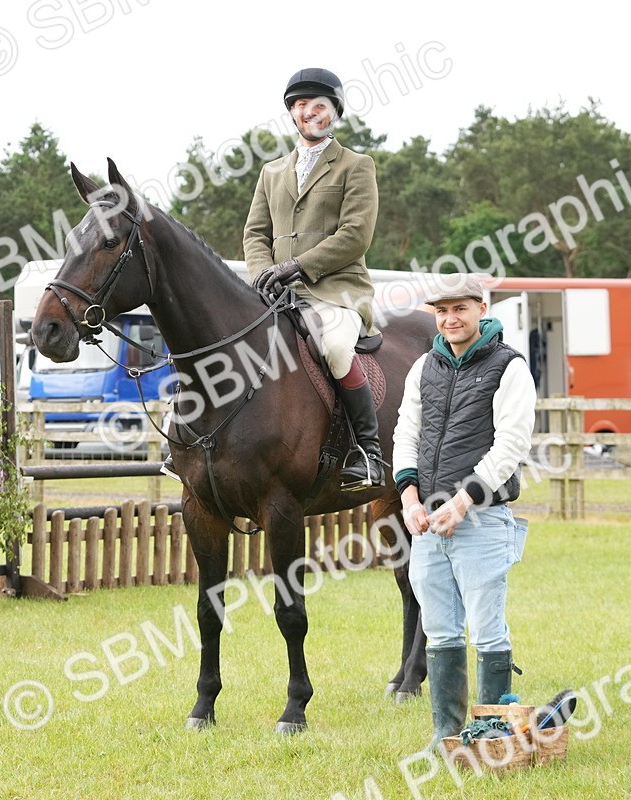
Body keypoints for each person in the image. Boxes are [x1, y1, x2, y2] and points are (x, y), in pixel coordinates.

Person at [392, 273, 537, 749]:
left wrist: (463, 500)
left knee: (487, 628)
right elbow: (405, 435)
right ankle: (445, 733)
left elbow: (510, 445)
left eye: (459, 309)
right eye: (441, 311)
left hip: (481, 518)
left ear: (481, 307)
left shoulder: (508, 367)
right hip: (429, 521)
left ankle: (492, 732)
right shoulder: (423, 367)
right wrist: (409, 497)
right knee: (439, 629)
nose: (450, 319)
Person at [242, 66, 386, 491]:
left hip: (335, 292)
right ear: (292, 113)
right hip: (278, 294)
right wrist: (260, 275)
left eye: (317, 105)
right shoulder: (271, 172)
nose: (308, 112)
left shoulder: (356, 166)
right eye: (300, 105)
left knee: (337, 347)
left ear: (333, 112)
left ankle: (368, 453)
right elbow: (254, 234)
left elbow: (356, 234)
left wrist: (298, 265)